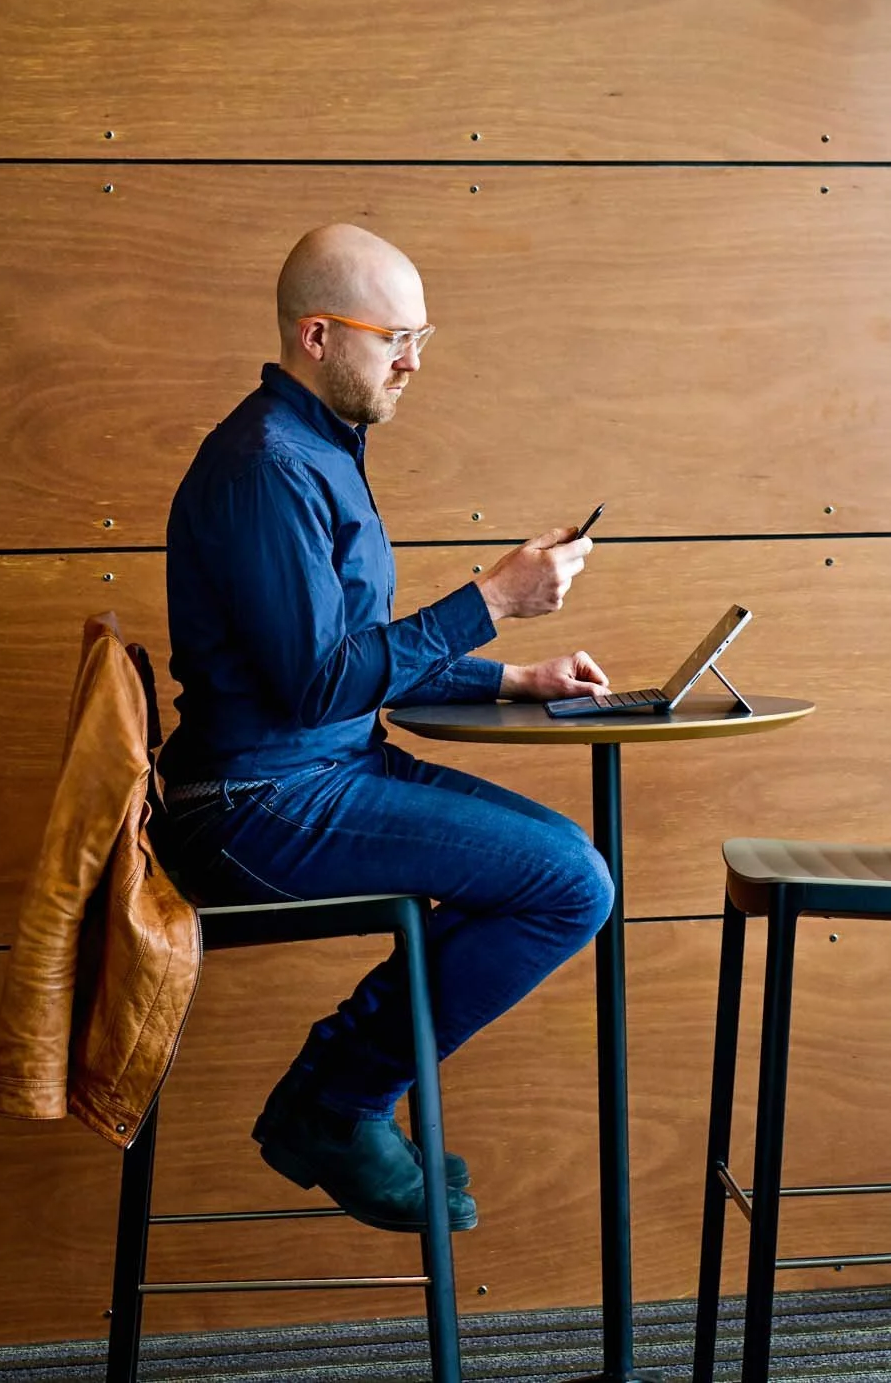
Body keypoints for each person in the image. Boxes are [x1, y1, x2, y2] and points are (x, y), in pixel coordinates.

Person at [154, 221, 616, 1235]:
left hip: (314, 772)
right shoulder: (268, 465)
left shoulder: (316, 447)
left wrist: (510, 675)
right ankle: (334, 1103)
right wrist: (489, 598)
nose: (413, 362)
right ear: (316, 334)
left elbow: (345, 647)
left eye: (423, 336)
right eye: (392, 337)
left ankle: (332, 1099)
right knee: (569, 882)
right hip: (253, 804)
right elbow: (322, 683)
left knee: (564, 872)